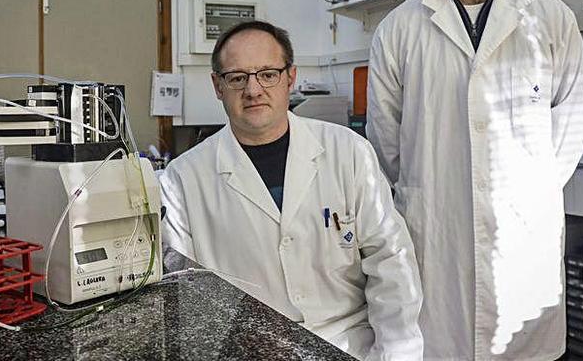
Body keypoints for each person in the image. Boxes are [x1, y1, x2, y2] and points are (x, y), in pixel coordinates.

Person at [366, 0, 583, 360]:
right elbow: (386, 140)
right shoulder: (397, 30)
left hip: (522, 238)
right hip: (437, 238)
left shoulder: (551, 18)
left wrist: (529, 192)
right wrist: (435, 189)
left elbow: (572, 121)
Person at [160, 20, 424, 360]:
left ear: (291, 77)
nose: (253, 90)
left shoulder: (349, 152)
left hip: (348, 345)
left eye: (268, 73)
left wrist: (395, 354)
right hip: (247, 351)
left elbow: (391, 263)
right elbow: (187, 296)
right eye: (237, 77)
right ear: (217, 85)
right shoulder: (182, 179)